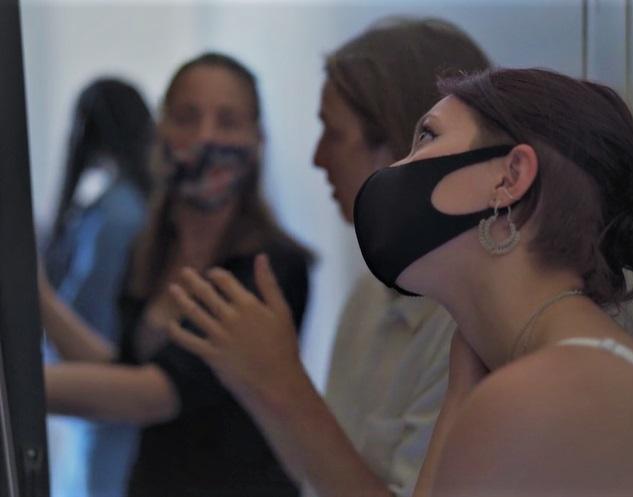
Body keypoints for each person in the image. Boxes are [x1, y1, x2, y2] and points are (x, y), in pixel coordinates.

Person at [170, 67, 633, 496]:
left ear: (509, 178)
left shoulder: (544, 391)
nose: (400, 168)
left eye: (427, 137)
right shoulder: (544, 369)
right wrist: (459, 395)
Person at [167, 18, 490, 497]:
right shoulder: (370, 293)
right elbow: (318, 473)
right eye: (185, 116)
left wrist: (282, 382)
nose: (318, 158)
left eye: (332, 134)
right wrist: (256, 381)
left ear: (402, 147)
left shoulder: (465, 326)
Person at [40, 52, 311, 497]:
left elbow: (155, 393)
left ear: (257, 140)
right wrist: (36, 296)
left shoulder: (271, 267)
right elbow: (122, 368)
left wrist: (23, 388)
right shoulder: (147, 252)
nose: (205, 137)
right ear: (160, 129)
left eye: (227, 121)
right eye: (187, 117)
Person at [42, 77, 153, 497]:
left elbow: (89, 323)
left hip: (107, 407)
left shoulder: (117, 216)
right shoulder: (118, 207)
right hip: (102, 412)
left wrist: (40, 298)